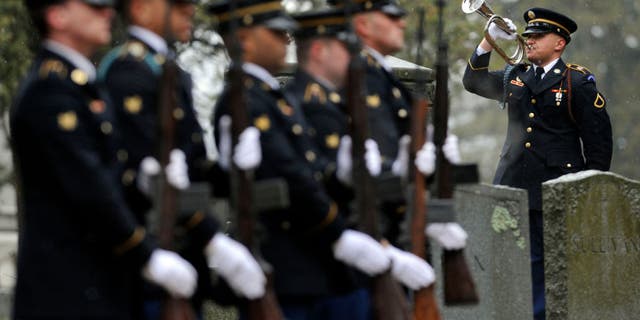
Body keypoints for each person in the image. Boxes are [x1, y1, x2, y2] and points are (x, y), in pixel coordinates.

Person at [208, 1, 433, 319]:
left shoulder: (272, 97)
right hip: (292, 265)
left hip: (316, 265)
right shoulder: (247, 99)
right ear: (244, 40)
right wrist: (344, 237)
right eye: (273, 32)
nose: (285, 38)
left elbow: (308, 172)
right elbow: (292, 179)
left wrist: (338, 175)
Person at [11, 0, 199, 318]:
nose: (109, 12)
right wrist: (145, 253)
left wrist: (143, 180)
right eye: (94, 6)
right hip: (67, 290)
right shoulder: (50, 90)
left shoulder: (83, 85)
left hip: (99, 285)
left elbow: (109, 174)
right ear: (57, 15)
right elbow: (89, 188)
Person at [99, 0, 266, 317]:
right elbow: (147, 173)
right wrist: (210, 236)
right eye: (177, 5)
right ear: (140, 8)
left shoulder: (168, 68)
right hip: (155, 258)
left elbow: (193, 166)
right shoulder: (129, 70)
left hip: (186, 253)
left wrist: (229, 170)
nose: (189, 10)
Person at [284, 7, 436, 319]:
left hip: (378, 241)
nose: (353, 56)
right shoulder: (312, 100)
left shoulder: (355, 89)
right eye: (345, 47)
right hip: (343, 251)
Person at [462, 7, 613, 320]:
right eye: (527, 35)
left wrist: (582, 195)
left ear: (559, 43)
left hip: (553, 192)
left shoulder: (577, 82)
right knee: (504, 259)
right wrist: (488, 42)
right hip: (511, 187)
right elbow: (473, 82)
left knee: (544, 266)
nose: (528, 41)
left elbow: (598, 148)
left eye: (537, 36)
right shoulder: (515, 76)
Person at [330, 0, 469, 253]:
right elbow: (383, 162)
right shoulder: (362, 75)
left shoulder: (379, 74)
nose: (402, 23)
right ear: (362, 24)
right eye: (391, 17)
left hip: (394, 228)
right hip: (376, 233)